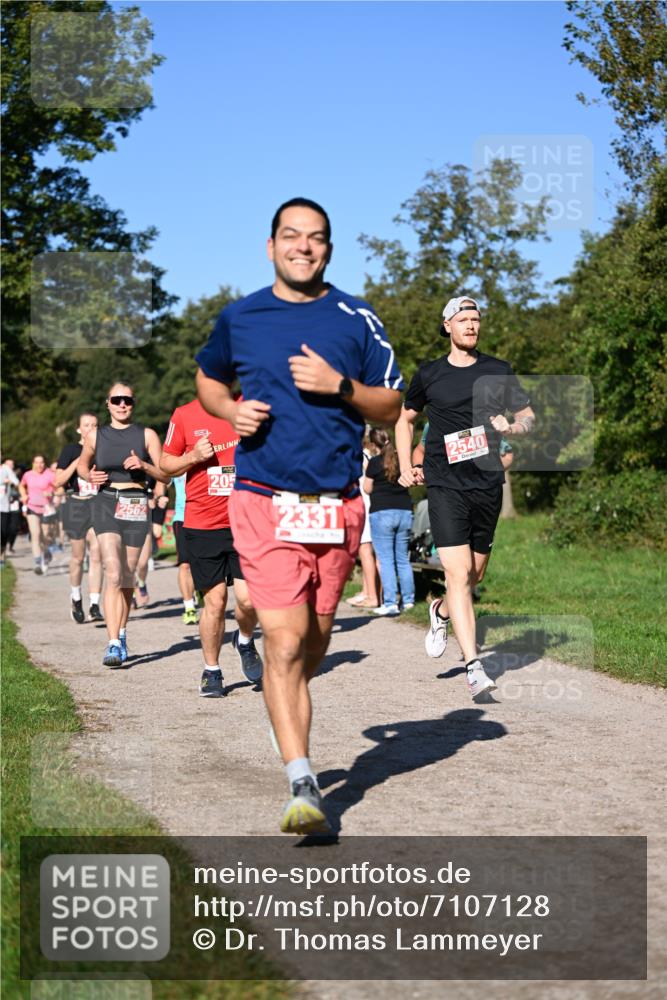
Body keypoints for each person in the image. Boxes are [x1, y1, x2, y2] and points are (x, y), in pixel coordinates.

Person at [195, 197, 403, 834]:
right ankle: (303, 785)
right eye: (291, 236)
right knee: (284, 645)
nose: (303, 247)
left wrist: (338, 385)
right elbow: (207, 380)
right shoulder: (242, 316)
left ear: (328, 250)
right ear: (271, 246)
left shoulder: (357, 318)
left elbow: (391, 406)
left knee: (313, 643)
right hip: (261, 499)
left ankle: (282, 671)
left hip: (335, 507)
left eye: (315, 238)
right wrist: (231, 412)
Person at [396, 296, 534, 700]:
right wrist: (406, 464)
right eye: (463, 319)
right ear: (447, 326)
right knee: (457, 575)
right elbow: (405, 421)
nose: (471, 325)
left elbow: (527, 415)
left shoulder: (498, 370)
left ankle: (438, 610)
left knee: (475, 576)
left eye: (476, 319)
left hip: (487, 483)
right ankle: (474, 667)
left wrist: (515, 425)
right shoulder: (429, 374)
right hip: (444, 484)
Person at [160, 396, 263, 696]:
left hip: (245, 521)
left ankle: (244, 640)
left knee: (249, 600)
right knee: (215, 602)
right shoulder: (185, 414)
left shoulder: (251, 406)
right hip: (203, 524)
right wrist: (191, 457)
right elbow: (166, 464)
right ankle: (212, 671)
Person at [77, 382, 169, 667]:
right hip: (106, 502)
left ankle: (122, 632)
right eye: (116, 399)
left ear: (133, 403)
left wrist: (143, 466)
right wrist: (89, 477)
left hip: (136, 503)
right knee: (114, 572)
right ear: (108, 403)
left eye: (127, 400)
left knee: (127, 576)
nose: (122, 404)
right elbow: (82, 465)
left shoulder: (147, 435)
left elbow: (165, 474)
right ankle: (113, 642)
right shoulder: (96, 435)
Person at [55, 413, 105, 623]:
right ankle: (76, 597)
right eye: (86, 425)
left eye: (94, 425)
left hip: (99, 504)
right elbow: (58, 481)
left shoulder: (104, 449)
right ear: (78, 429)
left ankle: (94, 604)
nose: (91, 428)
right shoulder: (70, 450)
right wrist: (79, 460)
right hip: (76, 504)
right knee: (78, 556)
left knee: (97, 556)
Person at [363, 427, 415, 616]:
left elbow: (367, 488)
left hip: (382, 512)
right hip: (404, 511)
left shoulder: (375, 462)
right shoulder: (402, 460)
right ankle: (408, 601)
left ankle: (391, 603)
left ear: (373, 444)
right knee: (402, 558)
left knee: (385, 560)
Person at [346, 430, 381, 609]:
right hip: (367, 505)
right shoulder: (366, 455)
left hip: (364, 505)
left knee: (365, 550)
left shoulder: (361, 456)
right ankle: (368, 590)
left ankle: (372, 595)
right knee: (368, 551)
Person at [19, 455, 55, 574]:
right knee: (35, 534)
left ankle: (47, 553)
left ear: (45, 464)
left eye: (42, 463)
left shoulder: (50, 474)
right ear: (33, 463)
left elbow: (58, 488)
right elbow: (21, 485)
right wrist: (24, 494)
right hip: (32, 507)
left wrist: (50, 493)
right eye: (37, 462)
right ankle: (38, 562)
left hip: (46, 508)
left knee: (45, 536)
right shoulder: (27, 474)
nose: (39, 465)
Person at [170, 473, 198, 625]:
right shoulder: (175, 458)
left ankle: (200, 590)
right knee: (185, 564)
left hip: (203, 517)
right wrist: (160, 495)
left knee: (200, 563)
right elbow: (162, 479)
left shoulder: (206, 454)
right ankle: (189, 607)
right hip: (181, 517)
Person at [0, 456, 20, 566]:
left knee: (3, 533)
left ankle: (1, 557)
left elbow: (17, 482)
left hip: (4, 507)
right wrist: (4, 481)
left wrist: (11, 482)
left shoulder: (6, 469)